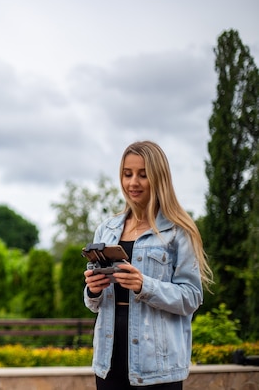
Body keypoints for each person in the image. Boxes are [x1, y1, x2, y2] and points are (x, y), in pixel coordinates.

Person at [84, 140, 212, 389]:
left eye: (143, 175)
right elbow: (93, 304)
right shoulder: (106, 230)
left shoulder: (178, 232)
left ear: (159, 177)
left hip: (158, 368)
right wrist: (93, 289)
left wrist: (145, 285)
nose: (133, 182)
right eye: (127, 174)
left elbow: (192, 297)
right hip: (108, 361)